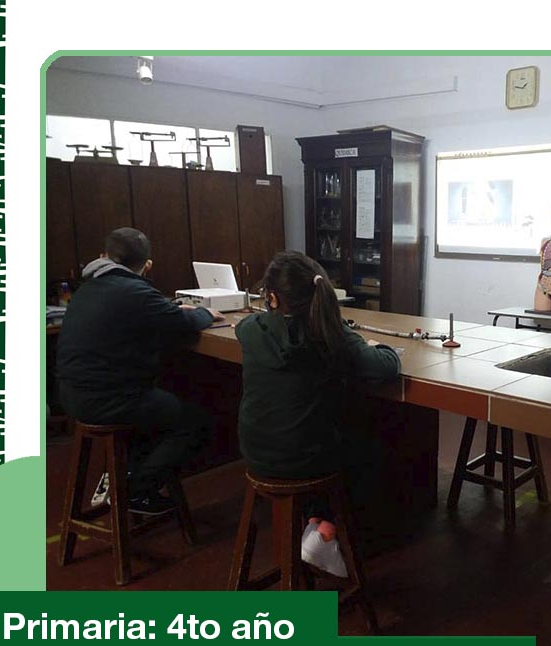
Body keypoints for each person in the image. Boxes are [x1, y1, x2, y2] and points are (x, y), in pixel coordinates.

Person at [235, 251, 400, 575]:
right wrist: (379, 347)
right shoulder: (328, 333)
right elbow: (386, 367)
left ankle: (315, 520)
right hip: (306, 459)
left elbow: (248, 326)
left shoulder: (251, 330)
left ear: (271, 297)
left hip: (255, 454)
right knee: (369, 447)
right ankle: (326, 530)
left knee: (312, 434)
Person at [56, 227, 225, 515]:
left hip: (71, 396)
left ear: (103, 256)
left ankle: (121, 475)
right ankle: (136, 491)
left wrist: (170, 310)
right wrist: (205, 313)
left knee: (158, 409)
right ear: (148, 265)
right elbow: (185, 324)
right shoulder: (137, 292)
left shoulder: (87, 289)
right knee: (195, 423)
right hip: (111, 400)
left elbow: (146, 314)